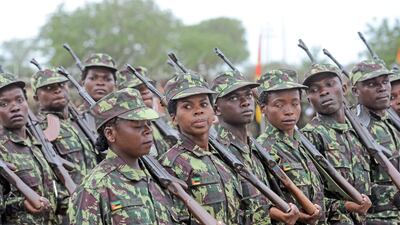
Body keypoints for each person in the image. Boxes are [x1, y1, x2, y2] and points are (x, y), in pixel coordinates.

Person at [68, 88, 180, 224]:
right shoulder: (94, 188)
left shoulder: (158, 177)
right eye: (137, 126)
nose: (148, 130)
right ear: (110, 134)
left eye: (148, 124)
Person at [211, 71, 300, 224]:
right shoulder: (218, 153)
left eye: (248, 95)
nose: (245, 102)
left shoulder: (256, 149)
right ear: (217, 109)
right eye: (233, 98)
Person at [301, 63, 372, 224]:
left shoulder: (359, 131)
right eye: (314, 89)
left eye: (329, 84)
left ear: (344, 88)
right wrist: (347, 206)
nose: (324, 92)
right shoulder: (310, 137)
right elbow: (311, 200)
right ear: (308, 100)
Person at [256, 69, 325, 224]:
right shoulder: (262, 149)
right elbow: (259, 206)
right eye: (279, 105)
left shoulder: (307, 144)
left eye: (295, 103)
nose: (289, 111)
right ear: (263, 108)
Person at [0, 72, 59, 224]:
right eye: (3, 104)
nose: (15, 107)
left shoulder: (37, 143)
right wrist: (19, 205)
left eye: (19, 100)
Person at [350, 60, 400, 225]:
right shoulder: (355, 127)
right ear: (355, 91)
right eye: (372, 84)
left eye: (385, 82)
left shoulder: (389, 122)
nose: (382, 88)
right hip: (377, 219)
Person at [32, 68, 99, 184]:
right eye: (48, 88)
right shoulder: (38, 130)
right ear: (36, 98)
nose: (57, 90)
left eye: (61, 85)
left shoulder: (82, 121)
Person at [116, 66, 173, 157]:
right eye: (137, 89)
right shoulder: (122, 131)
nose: (145, 92)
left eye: (147, 87)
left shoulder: (160, 120)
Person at [78, 53, 118, 132]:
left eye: (107, 79)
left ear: (115, 85)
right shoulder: (76, 117)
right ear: (83, 83)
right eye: (93, 78)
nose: (100, 83)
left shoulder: (124, 115)